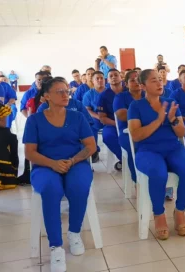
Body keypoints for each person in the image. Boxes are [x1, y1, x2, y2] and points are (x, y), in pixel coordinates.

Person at [23, 77, 96, 272]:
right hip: (45, 166)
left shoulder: (77, 117)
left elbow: (90, 146)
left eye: (67, 91)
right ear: (46, 96)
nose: (65, 95)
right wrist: (53, 164)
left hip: (75, 162)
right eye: (59, 92)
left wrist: (72, 161)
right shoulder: (35, 120)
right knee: (50, 189)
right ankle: (55, 246)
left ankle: (74, 232)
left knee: (79, 186)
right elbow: (30, 153)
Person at [128, 69, 185, 240]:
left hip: (173, 148)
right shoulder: (135, 106)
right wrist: (159, 120)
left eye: (160, 79)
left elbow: (181, 133)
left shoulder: (170, 102)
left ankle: (179, 211)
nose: (159, 83)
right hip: (147, 150)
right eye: (153, 80)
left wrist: (172, 119)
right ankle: (159, 214)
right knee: (158, 173)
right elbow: (136, 135)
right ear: (143, 86)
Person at [113, 70, 144, 183]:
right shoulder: (120, 97)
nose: (136, 82)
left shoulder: (148, 95)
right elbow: (122, 115)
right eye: (132, 80)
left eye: (138, 79)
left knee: (161, 144)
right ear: (126, 84)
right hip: (127, 133)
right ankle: (138, 182)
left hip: (148, 130)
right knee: (134, 147)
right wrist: (146, 114)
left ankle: (163, 182)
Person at [97, 69, 125, 171]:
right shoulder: (104, 95)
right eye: (111, 76)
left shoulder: (129, 91)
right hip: (112, 124)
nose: (113, 77)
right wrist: (117, 124)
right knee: (108, 136)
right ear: (107, 80)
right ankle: (125, 159)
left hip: (131, 123)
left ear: (121, 77)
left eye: (116, 75)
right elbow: (102, 118)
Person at [83, 71, 106, 163]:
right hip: (96, 118)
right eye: (97, 78)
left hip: (110, 118)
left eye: (102, 78)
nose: (100, 80)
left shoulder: (110, 91)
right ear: (93, 81)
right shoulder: (88, 94)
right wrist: (99, 117)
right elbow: (87, 109)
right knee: (90, 126)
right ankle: (94, 151)